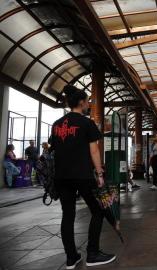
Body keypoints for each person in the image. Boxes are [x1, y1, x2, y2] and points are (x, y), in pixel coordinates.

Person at [50, 85, 115, 269]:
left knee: (68, 215)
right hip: (83, 175)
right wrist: (100, 173)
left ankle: (72, 258)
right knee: (98, 211)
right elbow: (94, 150)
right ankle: (92, 254)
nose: (88, 104)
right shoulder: (87, 123)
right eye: (87, 101)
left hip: (62, 176)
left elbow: (55, 149)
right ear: (81, 102)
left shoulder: (56, 125)